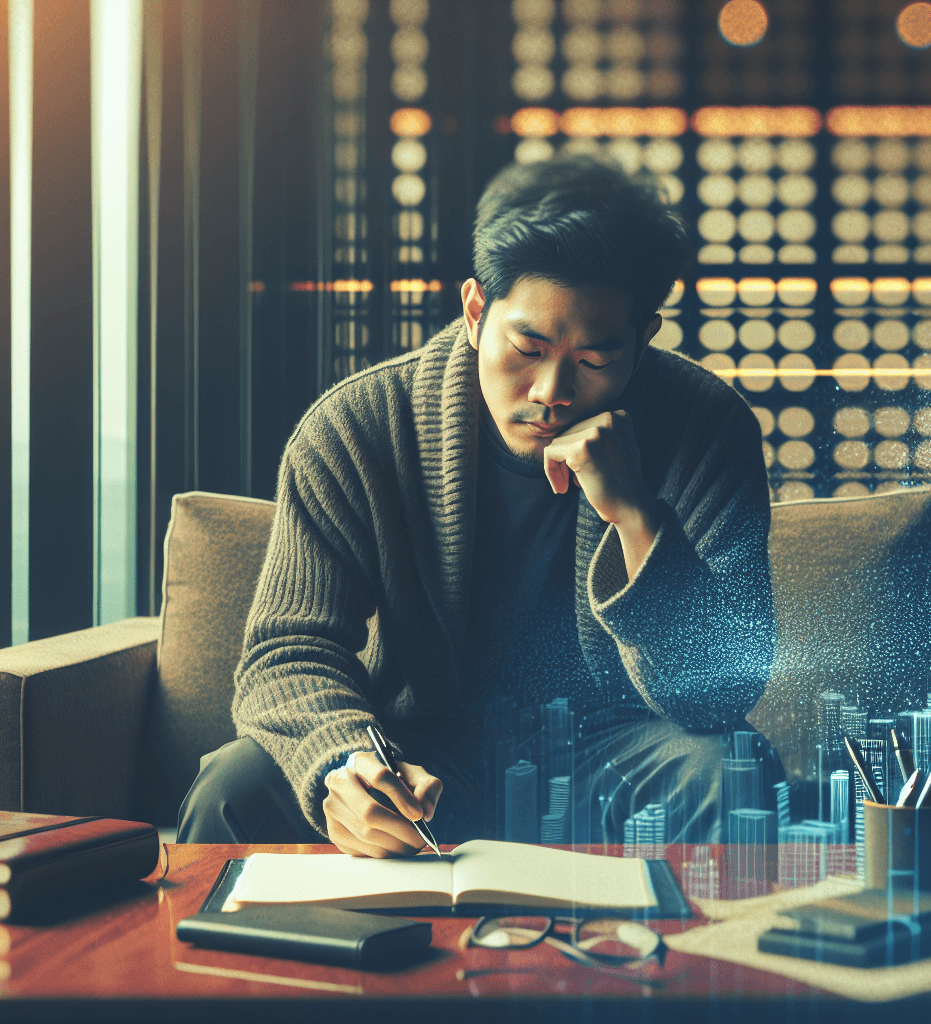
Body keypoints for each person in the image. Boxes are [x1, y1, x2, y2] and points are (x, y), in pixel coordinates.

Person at [178, 156, 779, 856]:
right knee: (233, 785)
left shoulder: (707, 427)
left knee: (732, 770)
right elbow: (287, 650)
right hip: (421, 749)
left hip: (615, 747)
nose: (552, 389)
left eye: (594, 360)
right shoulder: (358, 427)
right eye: (527, 346)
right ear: (474, 313)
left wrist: (638, 518)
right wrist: (346, 761)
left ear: (642, 340)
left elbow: (721, 695)